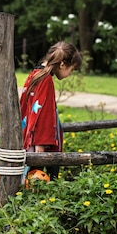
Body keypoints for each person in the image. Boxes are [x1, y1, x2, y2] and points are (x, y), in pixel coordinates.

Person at [20, 41, 82, 180]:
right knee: (40, 182)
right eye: (71, 69)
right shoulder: (45, 80)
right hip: (40, 145)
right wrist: (40, 144)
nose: (69, 74)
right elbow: (42, 114)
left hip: (29, 139)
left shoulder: (35, 74)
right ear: (62, 64)